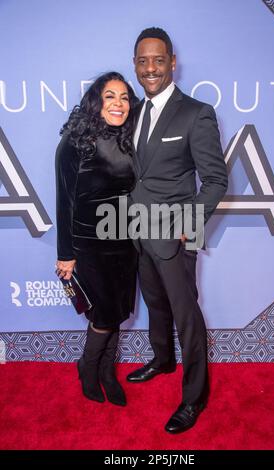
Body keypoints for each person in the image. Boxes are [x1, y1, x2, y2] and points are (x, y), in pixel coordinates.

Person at [126, 28, 228, 432]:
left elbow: (216, 181)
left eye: (158, 60)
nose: (150, 68)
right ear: (135, 64)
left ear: (172, 63)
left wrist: (189, 225)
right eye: (142, 60)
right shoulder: (133, 111)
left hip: (175, 234)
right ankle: (162, 359)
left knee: (186, 314)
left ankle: (194, 397)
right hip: (136, 231)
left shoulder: (196, 113)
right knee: (155, 303)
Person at [55, 72, 138, 406]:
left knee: (117, 312)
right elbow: (64, 201)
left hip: (126, 241)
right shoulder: (74, 141)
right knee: (103, 315)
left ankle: (107, 372)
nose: (118, 104)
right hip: (89, 246)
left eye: (124, 97)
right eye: (110, 96)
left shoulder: (131, 138)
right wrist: (65, 254)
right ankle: (88, 369)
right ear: (96, 100)